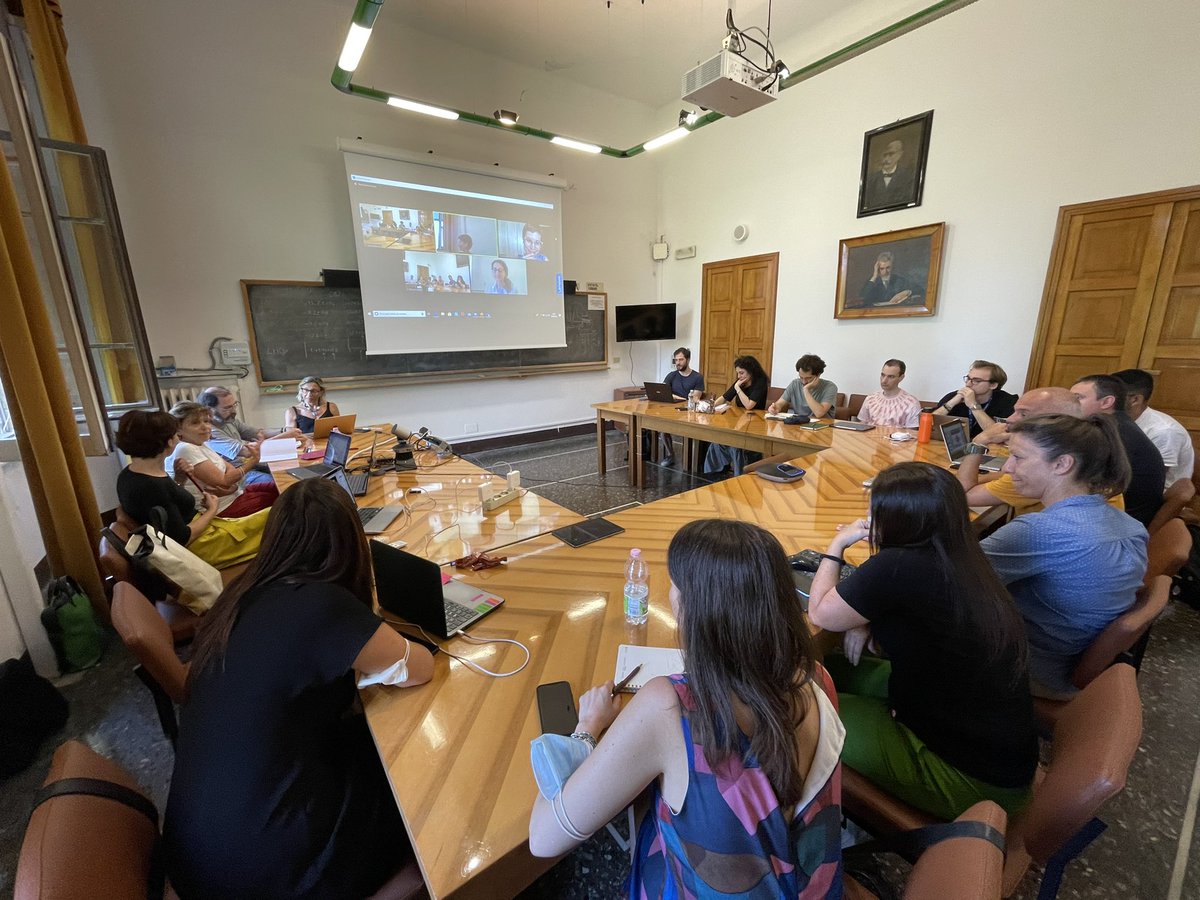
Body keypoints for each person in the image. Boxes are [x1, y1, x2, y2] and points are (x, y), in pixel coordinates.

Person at [528, 520, 844, 897]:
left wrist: (585, 730)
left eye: (675, 584)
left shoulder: (670, 707)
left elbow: (542, 839)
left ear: (694, 607)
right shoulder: (817, 679)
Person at [163, 478, 435, 899]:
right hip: (269, 869)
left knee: (361, 737)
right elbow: (420, 667)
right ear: (351, 542)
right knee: (414, 769)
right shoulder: (324, 606)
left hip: (201, 852)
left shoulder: (243, 593)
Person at [807, 462, 1037, 820]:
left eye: (875, 508)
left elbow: (820, 613)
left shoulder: (897, 566)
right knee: (818, 669)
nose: (867, 517)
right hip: (991, 744)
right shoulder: (961, 553)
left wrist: (836, 545)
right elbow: (904, 604)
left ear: (901, 519)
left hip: (972, 781)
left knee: (794, 704)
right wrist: (863, 619)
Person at [980, 414, 1148, 698]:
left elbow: (946, 579)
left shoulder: (1039, 531)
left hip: (1037, 667)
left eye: (1018, 457)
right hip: (1076, 656)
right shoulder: (1130, 525)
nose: (1008, 468)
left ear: (1062, 464)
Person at [114, 410, 269, 571]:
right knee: (283, 519)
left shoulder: (129, 475)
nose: (178, 438)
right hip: (204, 546)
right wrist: (212, 509)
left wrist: (180, 480)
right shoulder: (152, 486)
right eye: (175, 435)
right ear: (168, 442)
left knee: (279, 514)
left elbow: (167, 507)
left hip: (206, 534)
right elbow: (183, 538)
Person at [1069, 374, 1164, 526]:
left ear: (1107, 401)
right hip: (1119, 515)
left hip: (1120, 523)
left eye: (1078, 398)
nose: (1071, 404)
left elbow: (1080, 484)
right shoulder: (1119, 425)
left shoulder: (1111, 434)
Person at [167, 401, 278, 518]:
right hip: (223, 509)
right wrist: (254, 460)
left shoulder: (200, 444)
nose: (205, 427)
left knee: (285, 489)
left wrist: (231, 487)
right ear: (178, 429)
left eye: (206, 421)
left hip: (235, 495)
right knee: (285, 500)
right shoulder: (186, 448)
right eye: (195, 423)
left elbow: (229, 469)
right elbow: (224, 481)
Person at [198, 386, 302, 485]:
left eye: (234, 405)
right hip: (238, 474)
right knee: (281, 482)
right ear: (209, 410)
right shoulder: (209, 431)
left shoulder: (228, 419)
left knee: (292, 470)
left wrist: (285, 430)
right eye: (227, 408)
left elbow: (258, 433)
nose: (234, 411)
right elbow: (247, 452)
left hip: (250, 464)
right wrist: (284, 436)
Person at [1112, 368, 1195, 489]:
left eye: (1112, 396)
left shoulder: (1164, 431)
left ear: (1135, 400)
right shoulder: (1116, 420)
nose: (1105, 401)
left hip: (1149, 494)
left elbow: (1150, 478)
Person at [703, 355, 770, 476]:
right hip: (740, 421)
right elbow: (725, 398)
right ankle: (713, 471)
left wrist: (738, 389)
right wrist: (710, 405)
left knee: (735, 443)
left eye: (742, 373)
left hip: (756, 424)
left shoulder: (760, 382)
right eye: (738, 373)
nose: (739, 376)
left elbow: (749, 405)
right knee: (717, 439)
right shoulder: (740, 382)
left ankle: (739, 474)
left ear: (751, 372)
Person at [932, 360, 1017, 438]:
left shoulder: (1007, 401)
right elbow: (929, 424)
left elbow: (999, 434)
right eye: (968, 378)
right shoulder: (953, 396)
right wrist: (951, 403)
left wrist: (973, 406)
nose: (968, 384)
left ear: (993, 385)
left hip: (988, 450)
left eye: (976, 381)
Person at [766, 354, 837, 419]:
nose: (803, 382)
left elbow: (819, 413)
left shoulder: (830, 387)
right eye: (801, 377)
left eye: (808, 378)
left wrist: (806, 390)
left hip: (822, 426)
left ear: (818, 375)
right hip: (799, 424)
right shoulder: (795, 384)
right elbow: (780, 403)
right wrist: (775, 408)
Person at [857, 358, 921, 426]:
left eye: (891, 377)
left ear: (901, 377)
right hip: (868, 436)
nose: (884, 381)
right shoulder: (870, 399)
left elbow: (912, 432)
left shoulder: (911, 403)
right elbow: (862, 425)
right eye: (883, 375)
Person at [863, 139, 916, 209]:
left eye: (891, 154)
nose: (886, 159)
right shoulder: (870, 180)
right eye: (884, 155)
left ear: (899, 155)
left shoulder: (909, 178)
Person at [857, 252, 922, 307]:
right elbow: (862, 298)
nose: (885, 271)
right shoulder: (872, 281)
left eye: (888, 268)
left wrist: (907, 292)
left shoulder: (899, 280)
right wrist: (874, 276)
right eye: (882, 268)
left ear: (893, 267)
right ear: (877, 268)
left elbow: (920, 290)